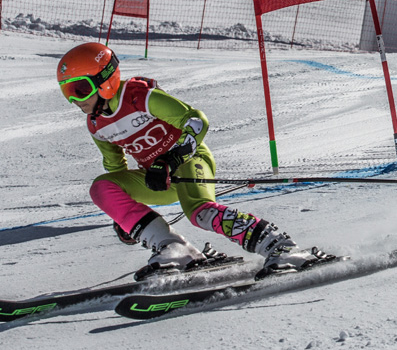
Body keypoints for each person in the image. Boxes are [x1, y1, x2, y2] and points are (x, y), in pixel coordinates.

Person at [56, 41, 329, 280]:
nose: (74, 100)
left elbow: (197, 121)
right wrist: (124, 217)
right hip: (157, 178)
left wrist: (173, 159)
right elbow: (116, 169)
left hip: (189, 161)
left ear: (105, 80)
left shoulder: (138, 97)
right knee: (101, 187)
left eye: (80, 89)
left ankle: (279, 246)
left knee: (200, 211)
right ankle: (174, 249)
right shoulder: (96, 126)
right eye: (67, 92)